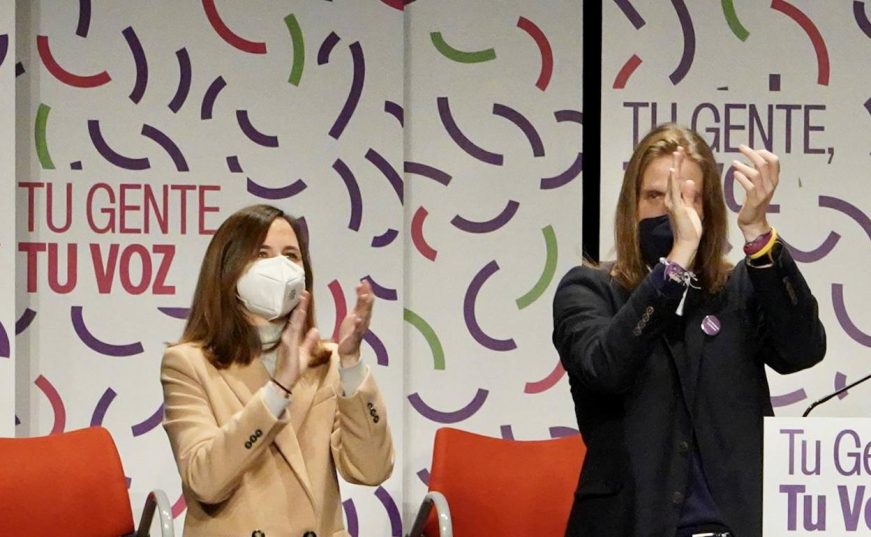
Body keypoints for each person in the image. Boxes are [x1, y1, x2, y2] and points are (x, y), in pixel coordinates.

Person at [552, 124, 826, 537]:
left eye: (687, 196)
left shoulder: (738, 289)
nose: (671, 209)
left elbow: (802, 349)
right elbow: (606, 369)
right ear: (632, 205)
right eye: (655, 196)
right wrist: (675, 263)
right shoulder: (588, 290)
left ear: (708, 208)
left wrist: (757, 233)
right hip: (632, 524)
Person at [161, 204, 394, 537]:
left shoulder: (325, 361)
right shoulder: (188, 363)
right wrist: (278, 389)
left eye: (291, 255)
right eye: (262, 253)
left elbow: (372, 470)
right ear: (228, 270)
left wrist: (351, 363)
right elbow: (205, 482)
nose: (280, 267)